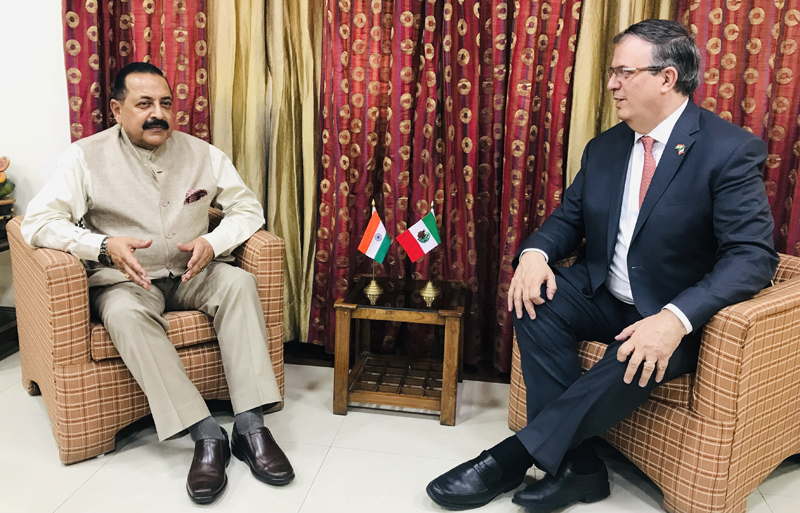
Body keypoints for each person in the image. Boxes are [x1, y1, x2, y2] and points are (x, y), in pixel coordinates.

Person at [426, 19, 778, 512]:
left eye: (623, 73)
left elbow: (752, 255)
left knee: (631, 353)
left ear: (667, 78)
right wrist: (534, 255)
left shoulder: (728, 150)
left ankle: (510, 458)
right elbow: (568, 219)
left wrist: (674, 319)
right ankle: (580, 468)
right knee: (534, 301)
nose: (611, 84)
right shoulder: (607, 147)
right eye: (612, 72)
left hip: (677, 314)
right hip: (605, 294)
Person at [21, 62, 294, 504]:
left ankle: (250, 427)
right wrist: (103, 246)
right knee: (124, 313)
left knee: (239, 284)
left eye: (166, 103)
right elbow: (37, 223)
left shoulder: (204, 154)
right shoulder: (84, 157)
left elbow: (248, 210)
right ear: (117, 109)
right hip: (128, 280)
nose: (158, 114)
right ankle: (206, 433)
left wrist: (213, 241)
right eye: (144, 103)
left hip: (193, 273)